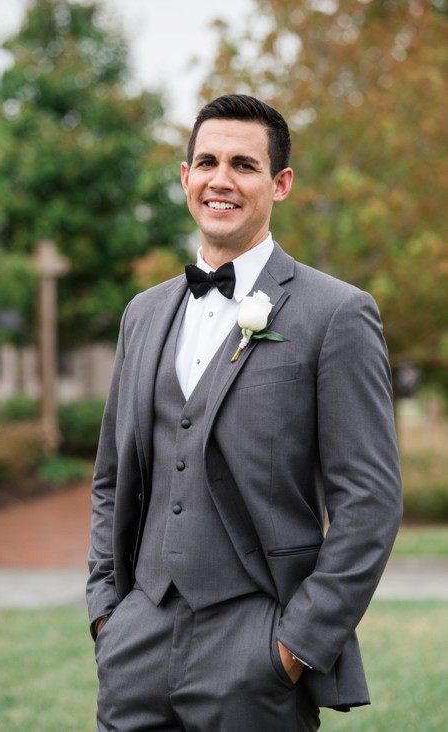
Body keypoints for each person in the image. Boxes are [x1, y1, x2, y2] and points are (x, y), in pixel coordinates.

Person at [87, 94, 402, 731]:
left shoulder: (336, 313)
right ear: (185, 178)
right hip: (136, 642)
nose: (220, 180)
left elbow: (369, 500)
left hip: (256, 645)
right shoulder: (142, 314)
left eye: (243, 164)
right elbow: (112, 478)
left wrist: (292, 649)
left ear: (279, 183)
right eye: (206, 162)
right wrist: (106, 614)